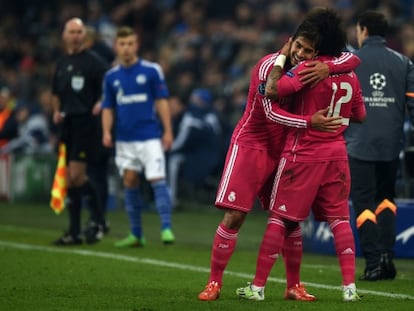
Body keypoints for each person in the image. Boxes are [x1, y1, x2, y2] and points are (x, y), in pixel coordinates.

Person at [197, 15, 361, 302]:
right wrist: (310, 122)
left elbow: (350, 58)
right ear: (290, 42)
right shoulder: (267, 67)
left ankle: (293, 285)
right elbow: (271, 113)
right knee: (235, 215)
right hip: (252, 144)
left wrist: (328, 65)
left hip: (285, 148)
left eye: (309, 51)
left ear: (316, 53)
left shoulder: (308, 71)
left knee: (290, 219)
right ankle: (214, 282)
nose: (302, 54)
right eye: (298, 47)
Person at [345, 10, 414, 281]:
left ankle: (373, 262)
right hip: (390, 145)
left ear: (362, 30)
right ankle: (387, 257)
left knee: (363, 203)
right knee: (386, 200)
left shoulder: (350, 62)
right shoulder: (404, 63)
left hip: (358, 144)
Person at [101, 26, 175, 247]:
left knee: (157, 178)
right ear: (116, 46)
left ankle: (166, 228)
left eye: (130, 43)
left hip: (149, 136)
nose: (126, 48)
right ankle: (136, 234)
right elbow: (107, 107)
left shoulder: (152, 71)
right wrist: (106, 132)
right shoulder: (111, 76)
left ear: (137, 45)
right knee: (129, 181)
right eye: (122, 44)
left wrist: (168, 130)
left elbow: (162, 101)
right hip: (124, 139)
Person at [51, 17, 108, 245]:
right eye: (71, 32)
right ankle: (74, 232)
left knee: (76, 176)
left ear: (84, 35)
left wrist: (102, 102)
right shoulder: (62, 63)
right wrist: (56, 111)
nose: (75, 36)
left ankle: (100, 219)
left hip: (86, 123)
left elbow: (108, 88)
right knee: (72, 181)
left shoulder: (94, 62)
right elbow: (56, 92)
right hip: (68, 124)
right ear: (64, 36)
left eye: (79, 32)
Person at [168, 88, 222, 207]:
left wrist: (167, 149)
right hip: (215, 157)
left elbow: (181, 141)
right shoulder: (213, 115)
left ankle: (171, 200)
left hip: (199, 158)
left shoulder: (190, 116)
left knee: (173, 161)